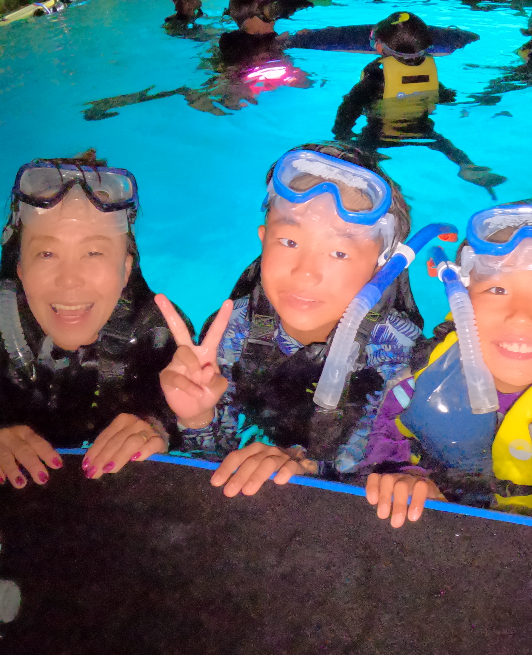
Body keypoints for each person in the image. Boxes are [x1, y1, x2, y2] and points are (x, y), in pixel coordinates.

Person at [0, 152, 190, 487]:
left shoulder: (158, 334)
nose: (69, 280)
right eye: (47, 253)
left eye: (93, 252)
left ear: (125, 269)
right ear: (20, 268)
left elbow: (199, 434)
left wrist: (158, 428)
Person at [158, 144, 425, 497]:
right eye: (289, 241)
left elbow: (380, 474)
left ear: (381, 270)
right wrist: (195, 417)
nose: (305, 273)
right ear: (263, 239)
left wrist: (306, 469)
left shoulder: (399, 355)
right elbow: (210, 466)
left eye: (339, 252)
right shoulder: (233, 330)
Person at [362, 202, 532, 527]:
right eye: (498, 289)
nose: (521, 316)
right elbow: (377, 452)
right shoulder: (418, 381)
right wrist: (405, 479)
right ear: (462, 301)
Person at [333, 11, 506, 196]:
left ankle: (385, 185)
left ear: (381, 46)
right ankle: (467, 165)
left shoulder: (375, 77)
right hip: (422, 129)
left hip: (380, 133)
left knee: (358, 154)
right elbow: (445, 96)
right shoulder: (427, 72)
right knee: (444, 144)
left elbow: (350, 107)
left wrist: (342, 133)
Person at [217, 0, 326, 68]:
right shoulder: (233, 47)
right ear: (247, 21)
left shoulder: (273, 40)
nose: (273, 18)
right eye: (264, 11)